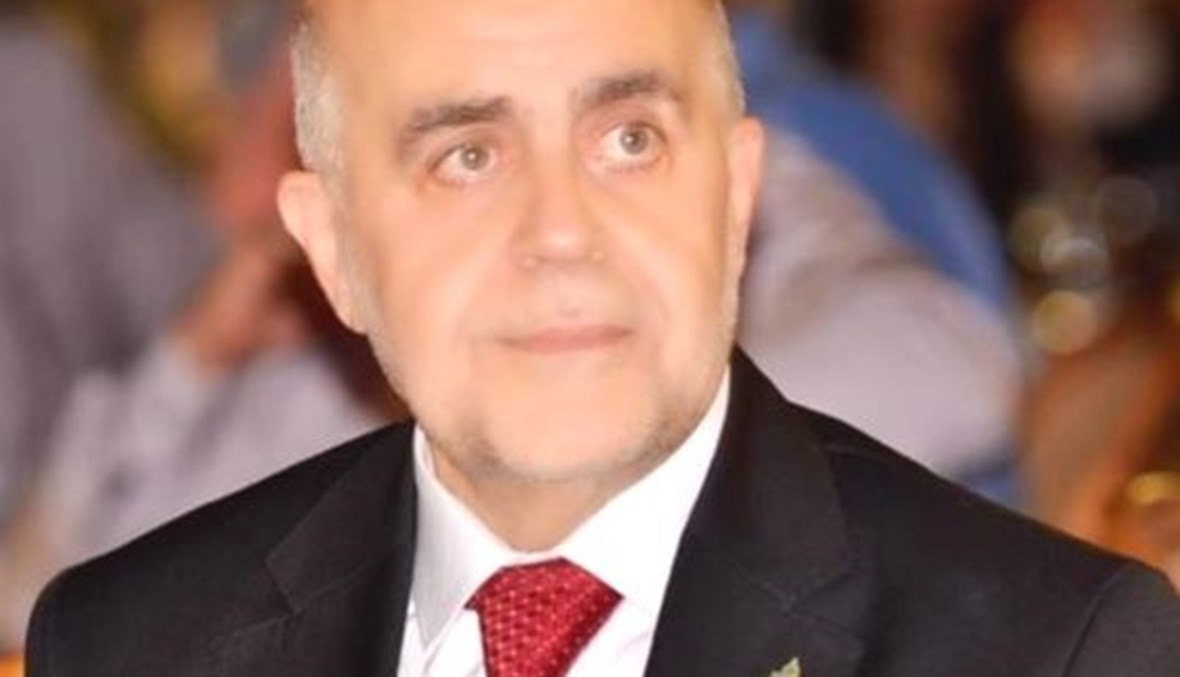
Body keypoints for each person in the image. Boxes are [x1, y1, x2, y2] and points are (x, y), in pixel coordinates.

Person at [27, 1, 1180, 676]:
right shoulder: (134, 642)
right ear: (331, 250)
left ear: (736, 199)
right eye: (466, 156)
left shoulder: (1048, 648)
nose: (561, 233)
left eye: (629, 139)